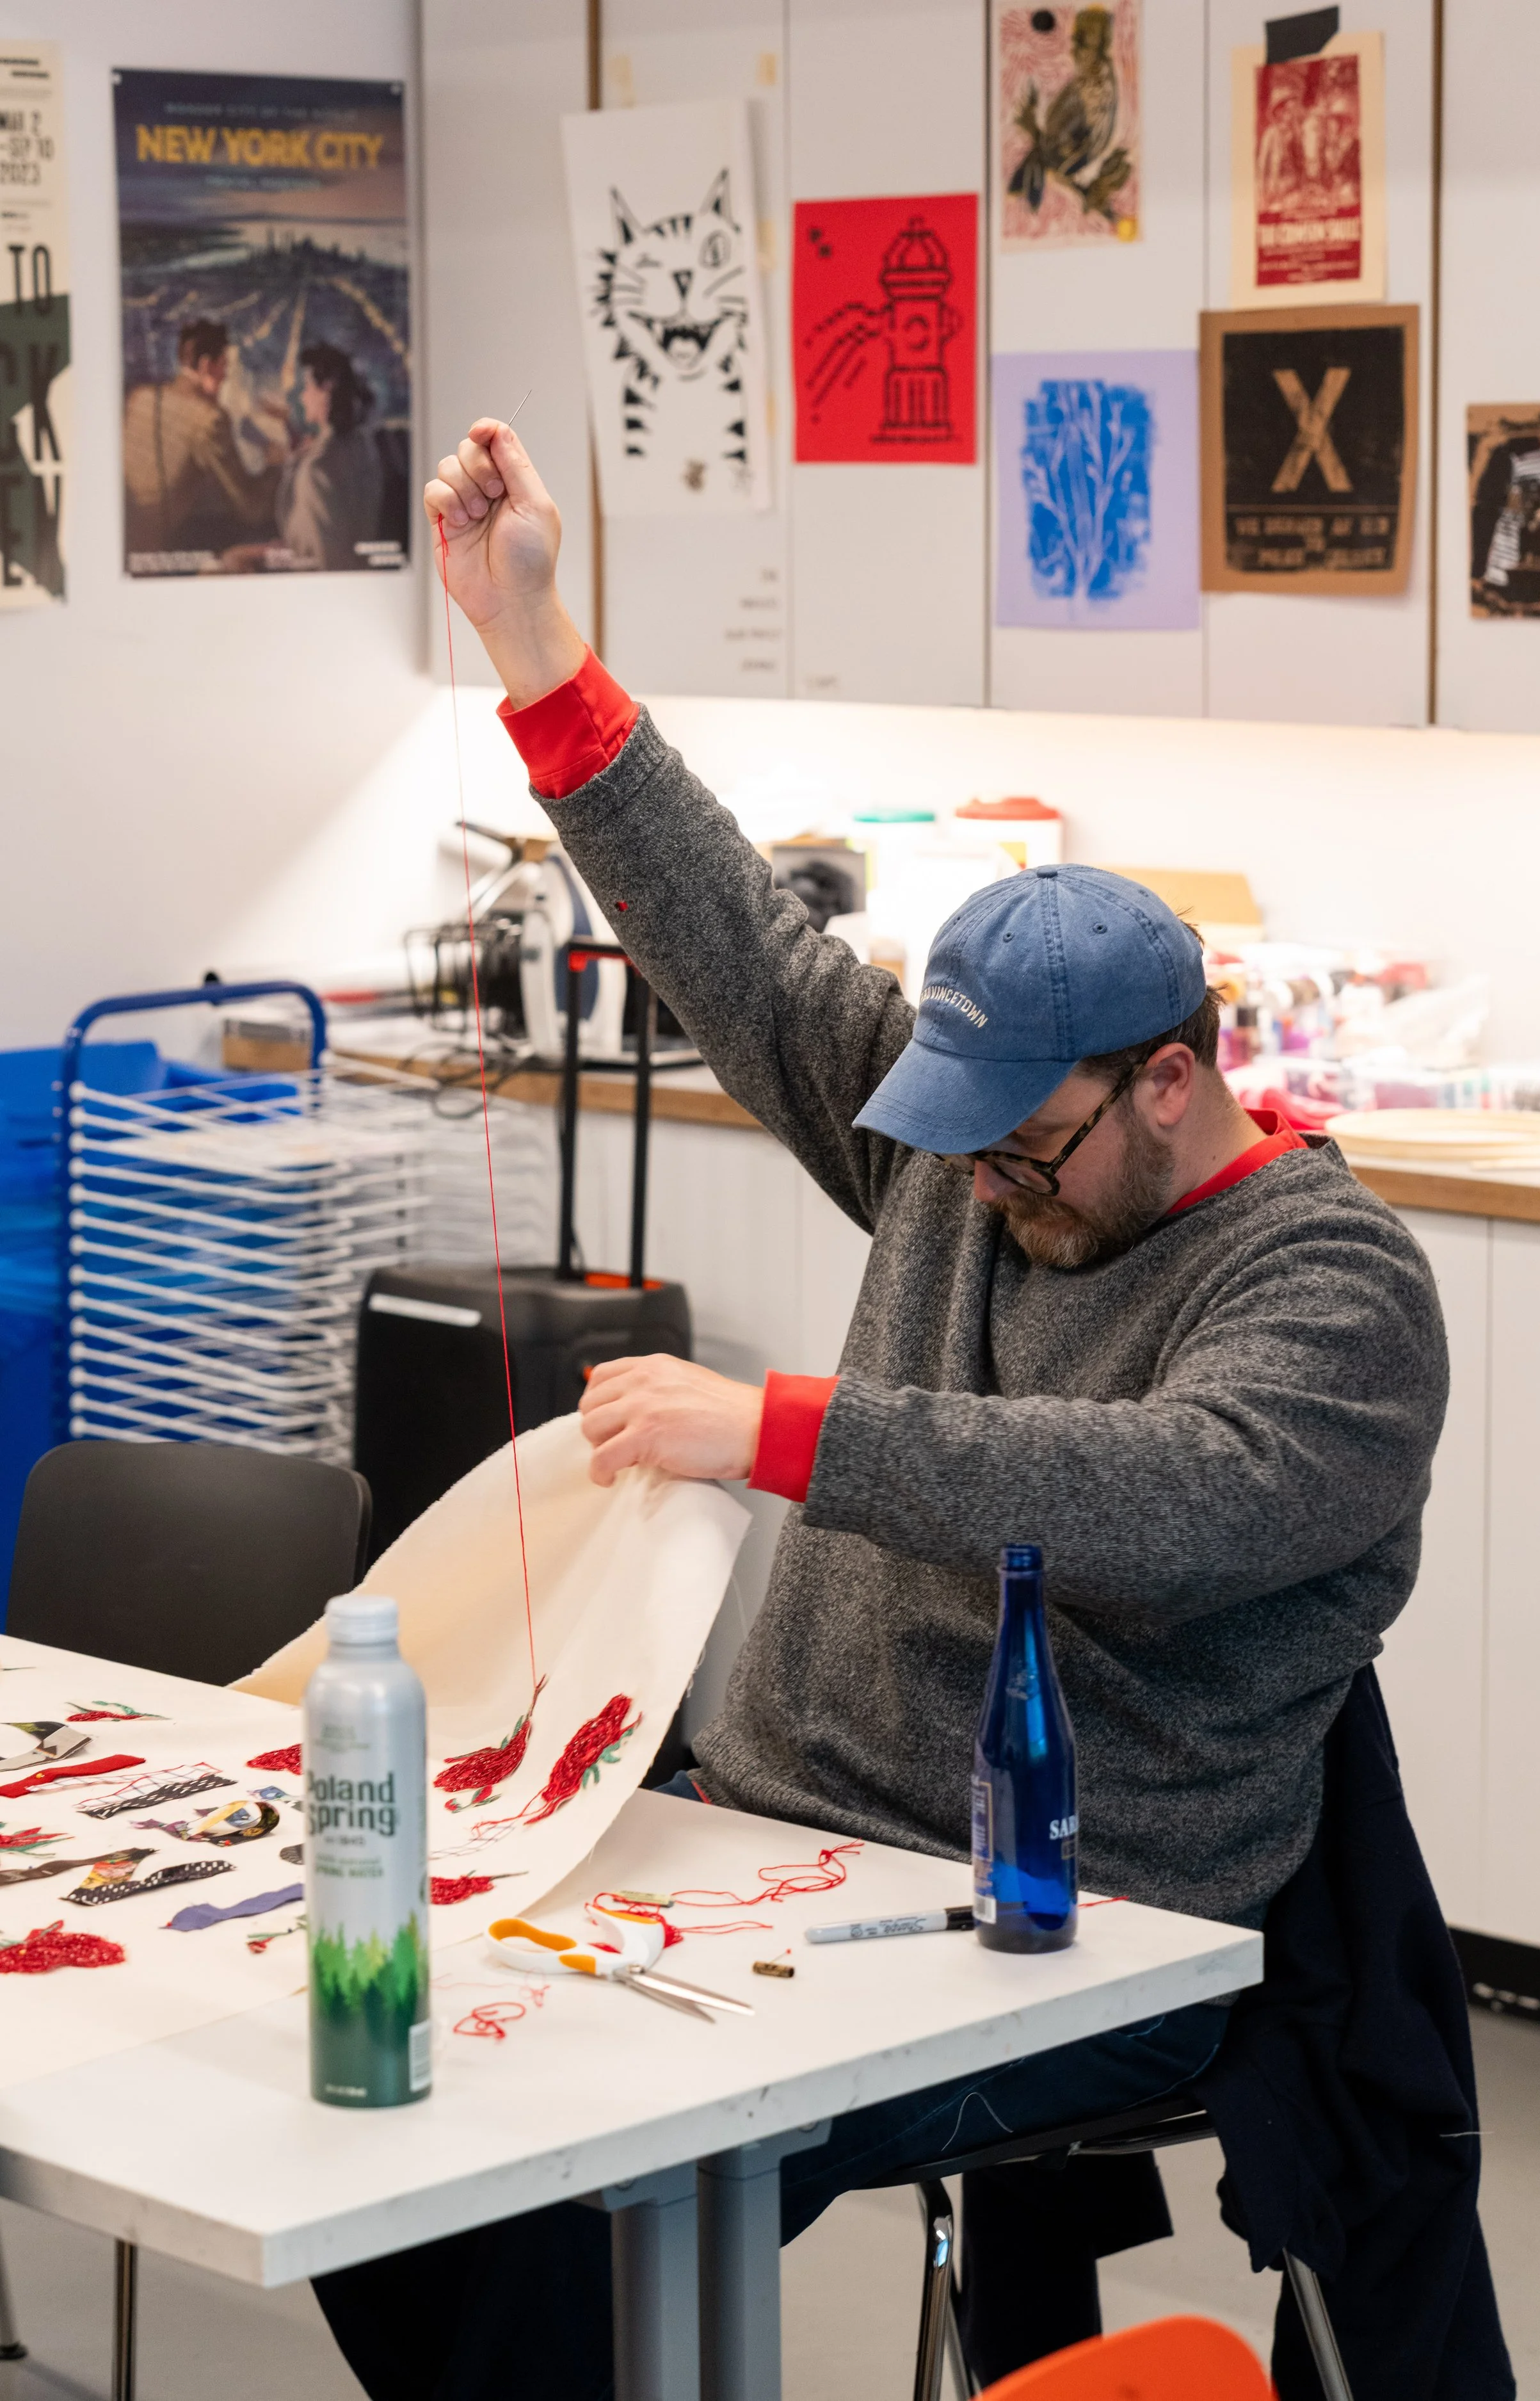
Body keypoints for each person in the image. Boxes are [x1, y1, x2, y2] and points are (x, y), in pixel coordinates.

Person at [312, 418, 1450, 2401]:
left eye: (1022, 1142)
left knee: (568, 2190)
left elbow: (1164, 1498)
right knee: (395, 2115)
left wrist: (776, 1429)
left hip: (1076, 1922)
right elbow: (746, 955)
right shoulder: (973, 1145)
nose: (974, 1184)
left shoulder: (1334, 1294)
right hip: (768, 1832)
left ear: (1172, 1080)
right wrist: (535, 642)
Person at [122, 319, 282, 565]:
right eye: (224, 366)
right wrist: (275, 464)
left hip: (124, 545)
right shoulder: (209, 420)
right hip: (157, 556)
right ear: (206, 366)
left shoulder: (140, 397)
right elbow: (252, 509)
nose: (227, 376)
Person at [275, 342, 384, 571]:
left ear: (327, 389)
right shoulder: (360, 445)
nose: (303, 397)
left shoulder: (319, 469)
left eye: (307, 387)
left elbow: (326, 559)